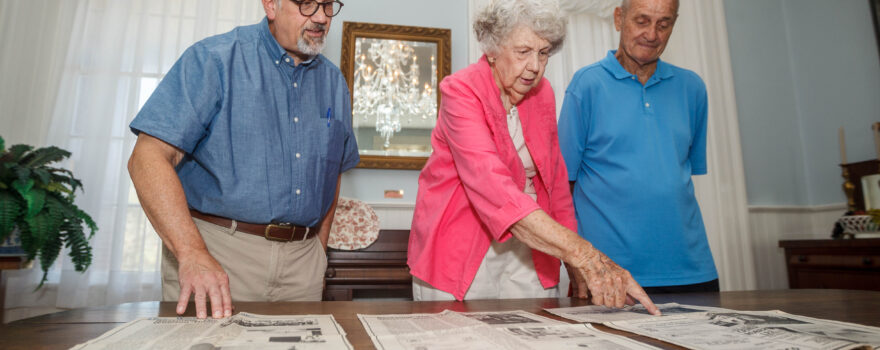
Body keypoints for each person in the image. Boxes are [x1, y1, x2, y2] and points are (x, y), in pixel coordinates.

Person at [408, 0, 659, 314]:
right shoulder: (461, 91)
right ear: (492, 50)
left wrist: (572, 261)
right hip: (459, 247)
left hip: (531, 248)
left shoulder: (542, 94)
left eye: (543, 53)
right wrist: (587, 257)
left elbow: (555, 184)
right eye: (523, 51)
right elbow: (493, 187)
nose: (535, 67)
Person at [127, 0, 358, 319]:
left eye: (327, 4)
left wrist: (318, 250)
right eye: (306, 4)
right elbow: (146, 158)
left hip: (303, 265)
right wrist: (192, 253)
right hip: (219, 255)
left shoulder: (335, 83)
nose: (320, 17)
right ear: (271, 6)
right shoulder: (213, 59)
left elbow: (331, 173)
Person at [558, 0, 719, 294]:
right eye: (642, 21)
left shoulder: (693, 88)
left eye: (664, 23)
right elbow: (562, 186)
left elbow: (677, 177)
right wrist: (574, 263)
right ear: (619, 18)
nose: (652, 34)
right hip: (608, 274)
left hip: (692, 270)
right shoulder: (586, 84)